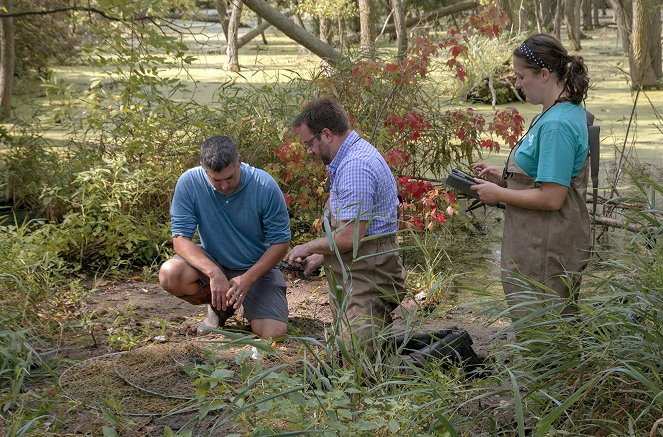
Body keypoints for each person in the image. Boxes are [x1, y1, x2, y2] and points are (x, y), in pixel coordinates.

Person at [470, 33, 591, 319]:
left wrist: (498, 195)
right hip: (542, 241)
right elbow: (547, 175)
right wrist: (505, 179)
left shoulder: (557, 125)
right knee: (550, 326)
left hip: (545, 248)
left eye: (521, 76)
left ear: (545, 74)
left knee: (542, 328)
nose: (518, 83)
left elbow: (552, 197)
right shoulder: (559, 112)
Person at [285, 96, 406, 353]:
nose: (308, 151)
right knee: (349, 348)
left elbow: (349, 238)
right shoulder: (347, 157)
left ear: (326, 134)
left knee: (357, 355)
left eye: (309, 143)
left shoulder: (355, 167)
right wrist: (322, 256)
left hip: (369, 273)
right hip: (355, 270)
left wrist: (308, 247)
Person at [159, 135, 291, 339]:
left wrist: (247, 279)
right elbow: (180, 239)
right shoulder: (189, 182)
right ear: (204, 167)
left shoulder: (264, 185)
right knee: (170, 274)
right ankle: (219, 307)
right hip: (215, 261)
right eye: (216, 180)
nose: (224, 187)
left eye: (230, 177)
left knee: (274, 334)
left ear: (239, 160)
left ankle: (241, 303)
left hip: (256, 268)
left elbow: (280, 243)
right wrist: (214, 273)